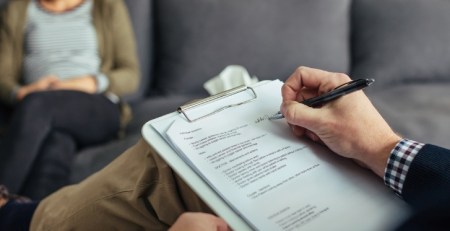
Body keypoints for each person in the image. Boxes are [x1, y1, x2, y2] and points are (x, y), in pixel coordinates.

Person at [1, 66, 449, 230]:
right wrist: (384, 148)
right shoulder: (20, 13)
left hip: (97, 100)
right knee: (53, 131)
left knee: (165, 174)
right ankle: (18, 210)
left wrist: (85, 82)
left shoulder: (101, 10)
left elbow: (127, 75)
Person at [0, 0, 139, 199]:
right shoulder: (18, 9)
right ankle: (32, 220)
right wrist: (22, 92)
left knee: (38, 105)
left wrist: (88, 82)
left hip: (94, 104)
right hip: (39, 106)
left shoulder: (107, 6)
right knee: (55, 144)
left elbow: (131, 74)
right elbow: (3, 77)